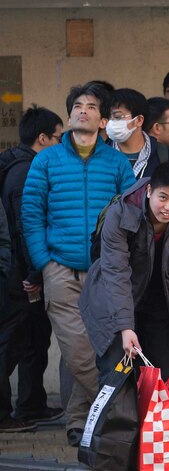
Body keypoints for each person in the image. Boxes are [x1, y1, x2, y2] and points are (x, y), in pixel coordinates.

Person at [22, 83, 135, 446]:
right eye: (77, 107)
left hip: (105, 271)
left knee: (101, 346)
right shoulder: (47, 160)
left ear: (103, 121)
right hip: (61, 270)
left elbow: (132, 213)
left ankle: (78, 420)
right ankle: (124, 409)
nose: (83, 111)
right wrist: (43, 262)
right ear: (70, 116)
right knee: (79, 350)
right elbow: (31, 214)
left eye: (91, 107)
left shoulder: (117, 162)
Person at [79, 162, 169, 382]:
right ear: (149, 191)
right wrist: (125, 327)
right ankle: (109, 417)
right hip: (115, 301)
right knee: (118, 377)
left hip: (160, 304)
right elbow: (116, 273)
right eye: (163, 198)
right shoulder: (121, 213)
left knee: (164, 378)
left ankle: (152, 418)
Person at [0, 107, 64, 433]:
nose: (62, 143)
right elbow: (27, 228)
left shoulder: (21, 165)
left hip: (21, 271)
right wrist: (32, 275)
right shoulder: (25, 173)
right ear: (43, 139)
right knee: (10, 343)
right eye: (58, 137)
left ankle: (31, 405)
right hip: (18, 275)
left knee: (33, 339)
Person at [107, 88, 169, 180]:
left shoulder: (164, 156)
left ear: (139, 120)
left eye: (118, 117)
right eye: (109, 117)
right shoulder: (100, 154)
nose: (111, 122)